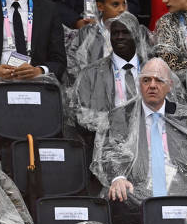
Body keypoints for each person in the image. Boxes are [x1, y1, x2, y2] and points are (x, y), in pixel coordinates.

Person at [91, 58, 187, 224]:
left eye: (159, 80)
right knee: (117, 196)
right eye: (147, 80)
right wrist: (119, 177)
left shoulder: (185, 116)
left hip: (182, 187)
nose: (152, 85)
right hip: (136, 189)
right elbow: (110, 152)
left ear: (169, 85)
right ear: (139, 84)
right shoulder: (121, 115)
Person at [68, 11, 162, 156]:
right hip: (106, 148)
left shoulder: (156, 71)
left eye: (125, 32)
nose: (119, 37)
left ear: (136, 35)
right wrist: (114, 123)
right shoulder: (90, 74)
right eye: (115, 33)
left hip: (151, 144)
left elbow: (171, 108)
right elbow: (79, 114)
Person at [64, 0, 145, 85]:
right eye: (115, 4)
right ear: (100, 6)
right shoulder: (86, 33)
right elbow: (73, 65)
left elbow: (144, 62)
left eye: (124, 3)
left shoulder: (135, 32)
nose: (122, 9)